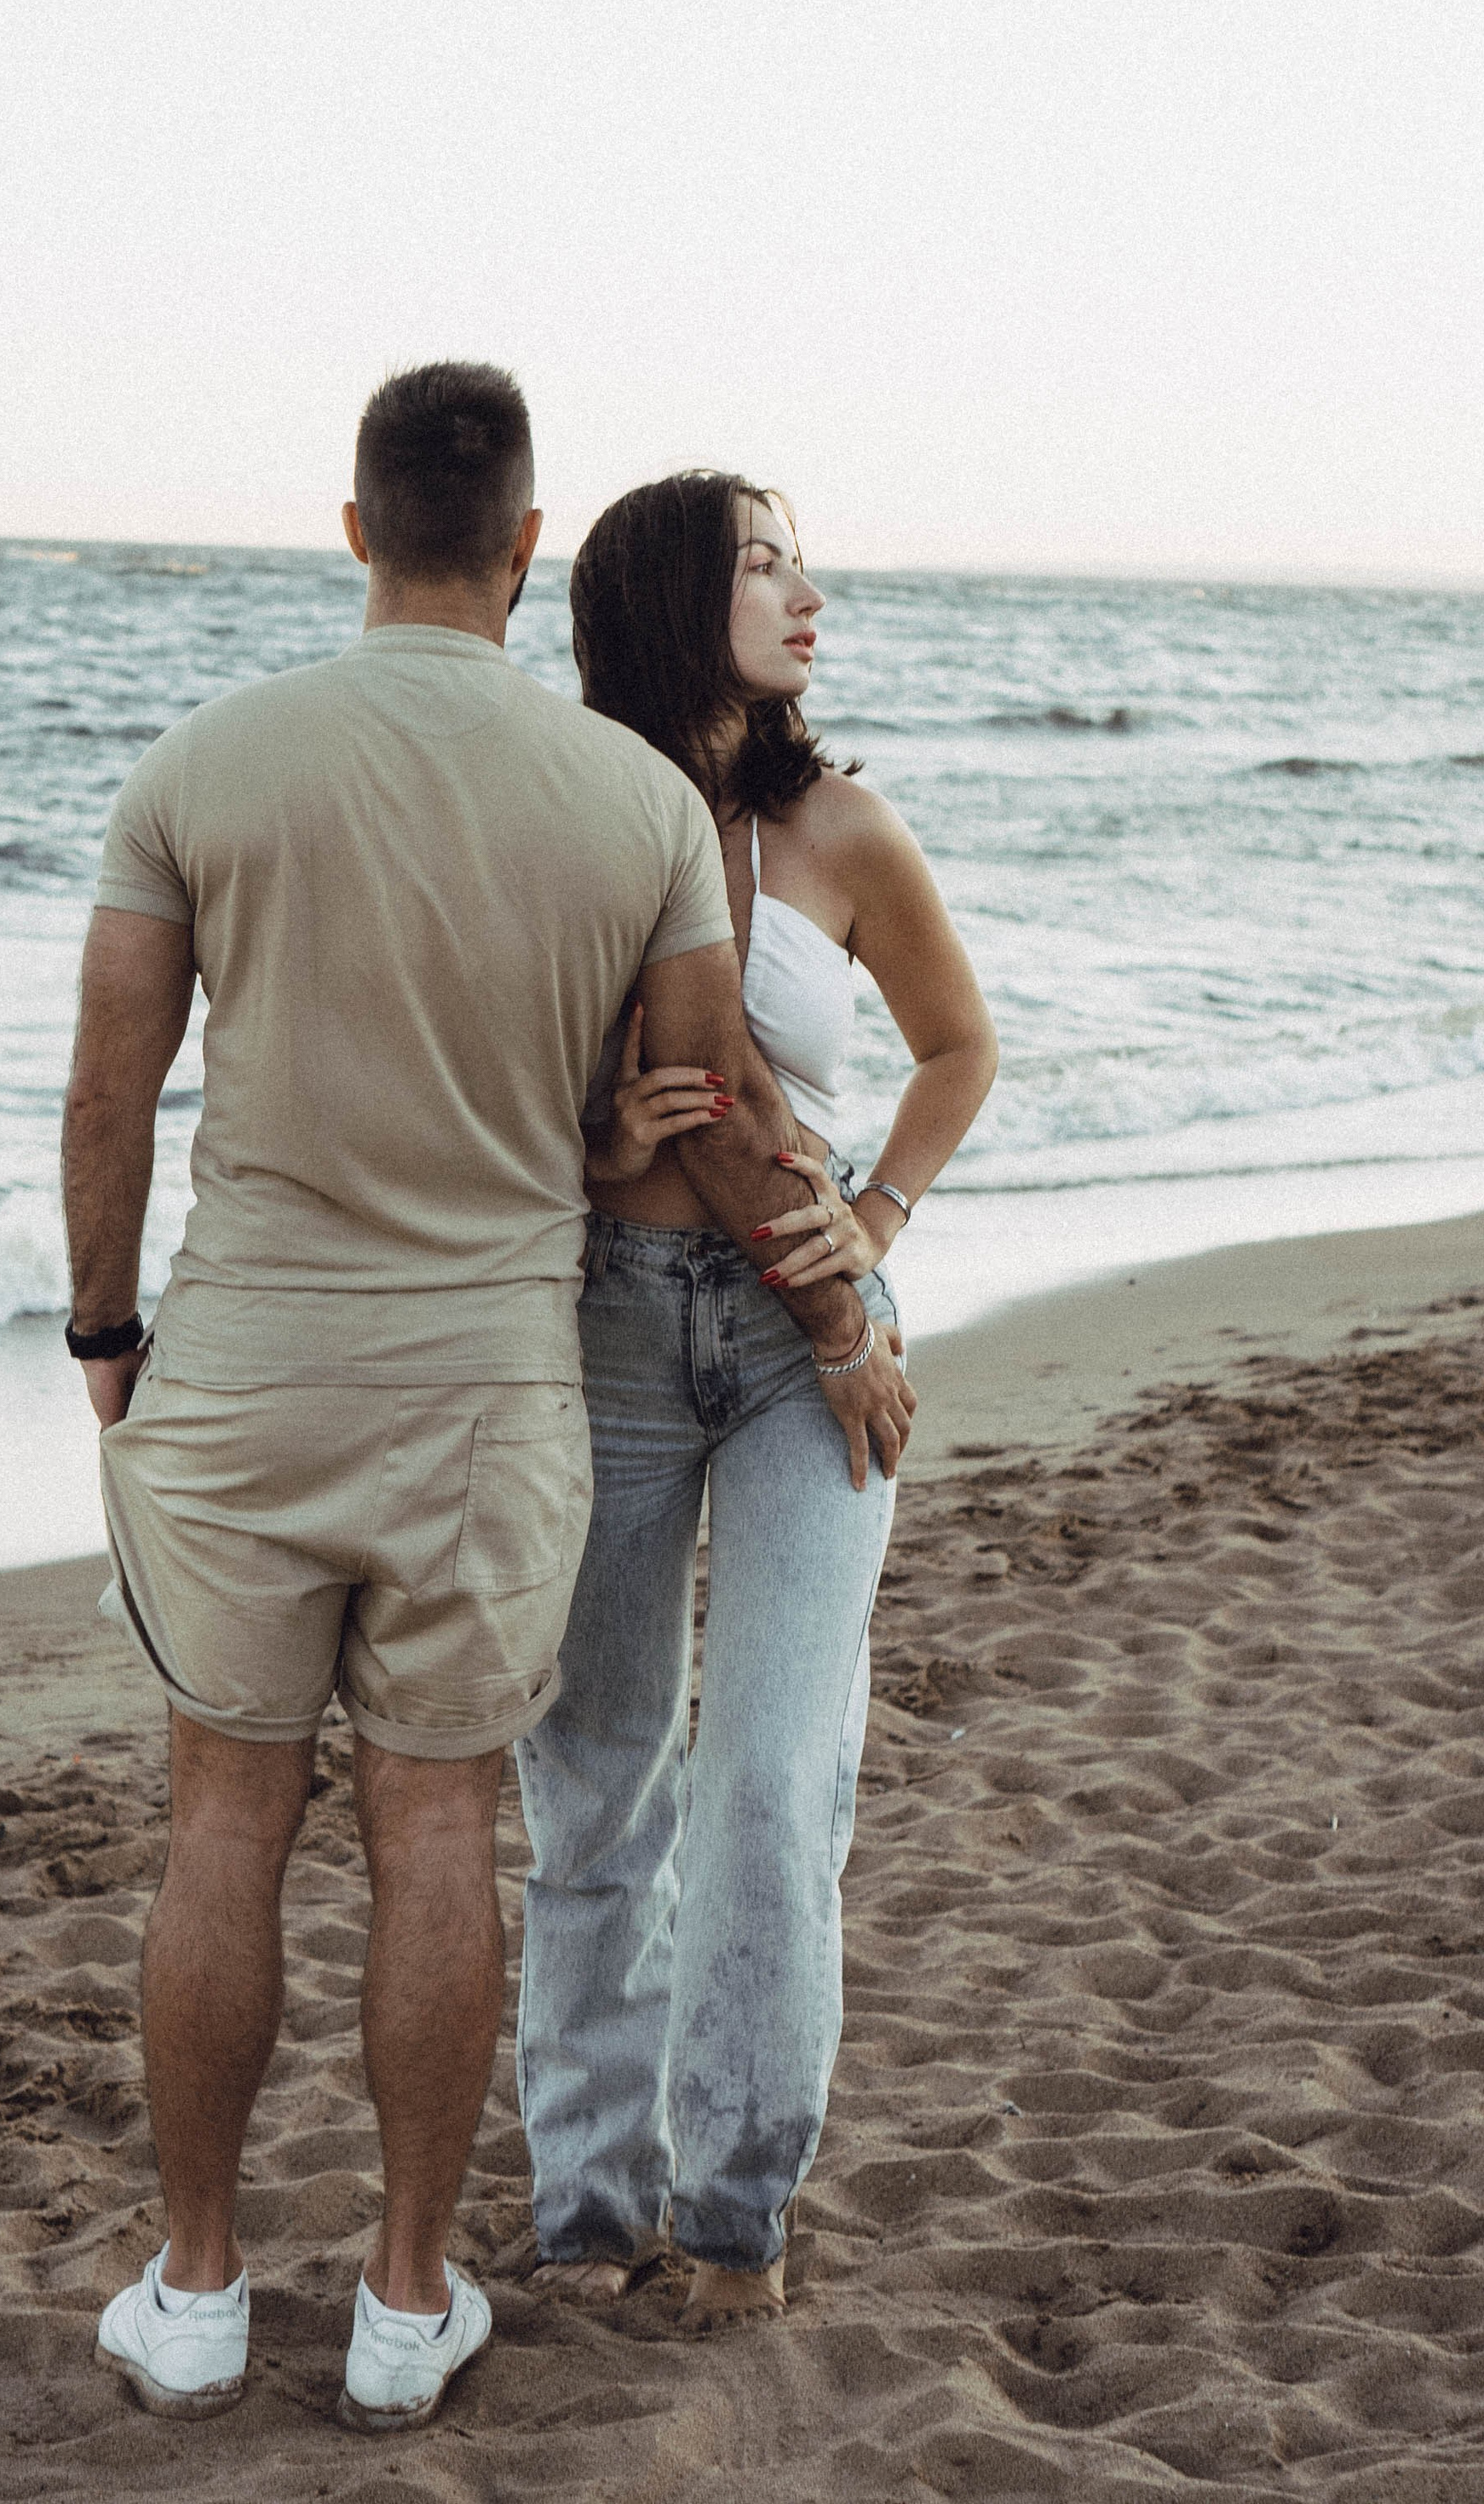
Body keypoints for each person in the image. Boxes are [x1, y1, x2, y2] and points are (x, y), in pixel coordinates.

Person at [60, 370, 915, 2433]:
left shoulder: (203, 760)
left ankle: (189, 2293)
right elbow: (715, 1114)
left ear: (351, 527)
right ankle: (404, 2300)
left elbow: (106, 1091)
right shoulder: (625, 805)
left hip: (247, 1383)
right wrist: (842, 1309)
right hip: (490, 1393)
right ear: (523, 551)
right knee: (441, 1823)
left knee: (220, 1824)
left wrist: (106, 1341)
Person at [515, 469, 997, 2331]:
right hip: (611, 1329)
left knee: (774, 1781)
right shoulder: (566, 822)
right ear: (660, 599)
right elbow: (480, 1085)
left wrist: (870, 1227)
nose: (808, 593)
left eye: (803, 561)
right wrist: (587, 1134)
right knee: (593, 1794)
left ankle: (727, 2216)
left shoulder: (843, 829)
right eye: (763, 564)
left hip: (811, 1340)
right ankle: (581, 2210)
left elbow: (958, 1048)